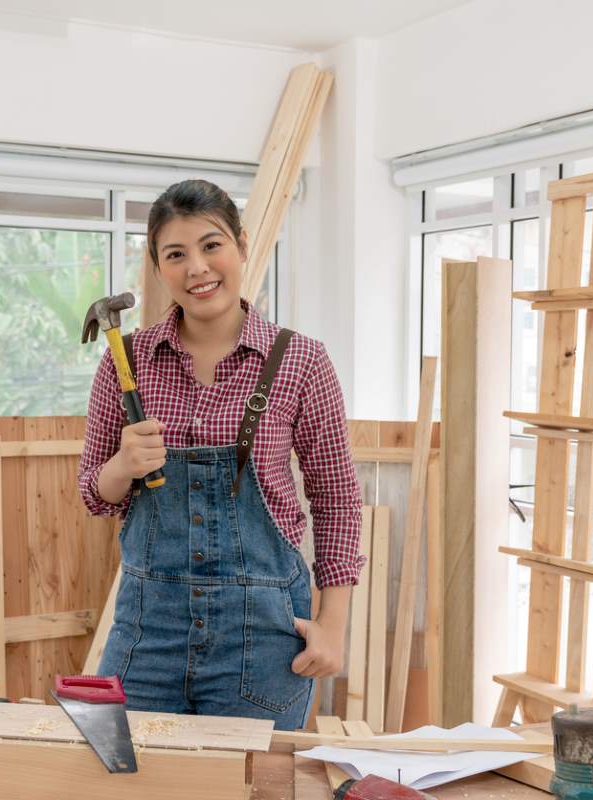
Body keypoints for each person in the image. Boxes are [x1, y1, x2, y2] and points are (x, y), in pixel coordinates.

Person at [77, 179, 363, 731]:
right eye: (176, 254)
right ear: (158, 267)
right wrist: (122, 466)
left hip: (260, 636)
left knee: (251, 787)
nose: (198, 269)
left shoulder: (301, 360)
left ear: (241, 245)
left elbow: (338, 501)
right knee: (125, 779)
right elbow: (94, 494)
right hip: (147, 632)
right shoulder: (125, 361)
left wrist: (334, 625)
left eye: (211, 246)